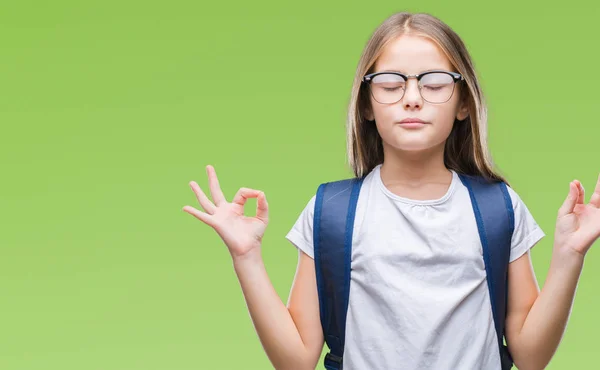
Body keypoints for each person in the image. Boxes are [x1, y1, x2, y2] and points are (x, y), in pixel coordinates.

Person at [182, 11, 600, 370]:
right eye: (390, 83)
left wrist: (568, 254)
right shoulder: (331, 211)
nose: (413, 98)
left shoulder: (498, 207)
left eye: (435, 83)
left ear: (463, 103)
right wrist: (247, 257)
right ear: (366, 103)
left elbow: (530, 356)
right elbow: (296, 359)